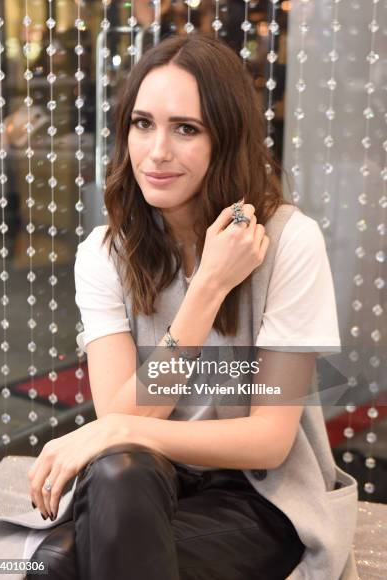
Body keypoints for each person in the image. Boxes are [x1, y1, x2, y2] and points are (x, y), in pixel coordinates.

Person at [27, 33, 356, 580]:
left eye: (186, 129)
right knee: (116, 478)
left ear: (225, 139)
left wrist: (115, 432)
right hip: (141, 481)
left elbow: (269, 442)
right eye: (142, 123)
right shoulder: (104, 255)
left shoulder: (290, 241)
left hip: (259, 499)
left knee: (56, 565)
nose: (157, 151)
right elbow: (125, 418)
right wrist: (206, 290)